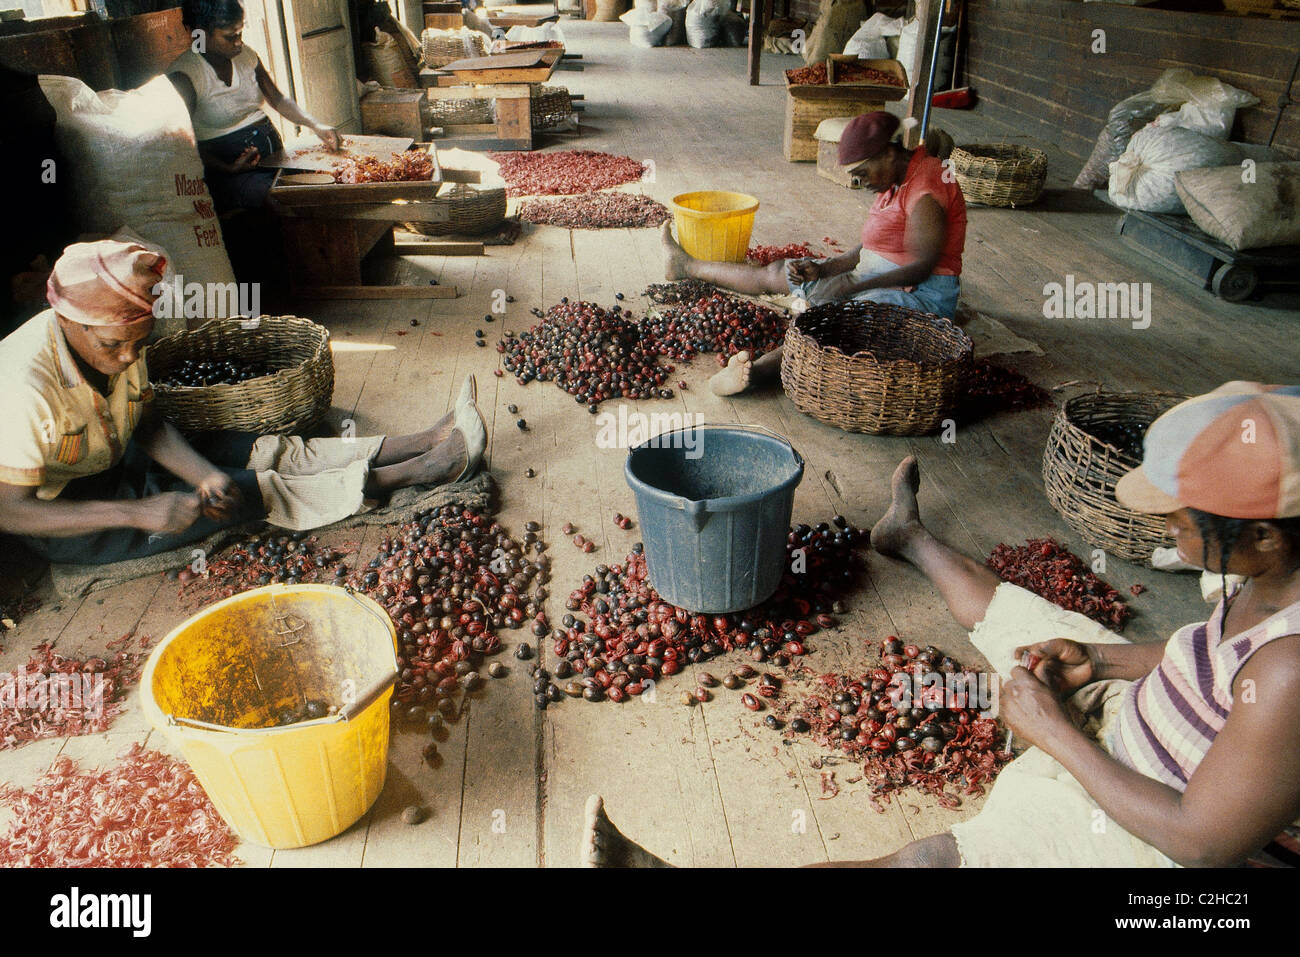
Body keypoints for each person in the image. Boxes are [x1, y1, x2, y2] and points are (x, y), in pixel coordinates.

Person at [581, 382, 1300, 867]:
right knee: (1022, 616)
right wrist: (1103, 661)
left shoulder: (1289, 669)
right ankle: (909, 534)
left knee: (931, 863)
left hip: (1146, 824)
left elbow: (1199, 842)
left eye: (1179, 518)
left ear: (1265, 535)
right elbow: (1201, 657)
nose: (1165, 527)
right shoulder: (1257, 573)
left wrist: (1051, 729)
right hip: (1138, 713)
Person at [0, 239, 487, 565]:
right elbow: (11, 512)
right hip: (67, 513)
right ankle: (411, 473)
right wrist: (135, 513)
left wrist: (201, 474)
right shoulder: (23, 387)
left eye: (139, 343)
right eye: (112, 347)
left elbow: (148, 426)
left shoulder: (122, 343)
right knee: (247, 495)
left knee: (242, 450)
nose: (128, 357)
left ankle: (409, 443)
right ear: (65, 320)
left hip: (115, 457)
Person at [660, 111, 967, 396]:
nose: (859, 182)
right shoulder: (896, 178)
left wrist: (854, 288)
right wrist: (827, 269)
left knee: (838, 320)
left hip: (920, 296)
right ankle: (686, 264)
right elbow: (873, 247)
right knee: (777, 271)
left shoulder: (926, 188)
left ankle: (754, 374)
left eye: (862, 172)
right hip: (874, 276)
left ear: (888, 153)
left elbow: (921, 267)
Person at [167, 0, 341, 213]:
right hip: (230, 173)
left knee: (330, 180)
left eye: (240, 33)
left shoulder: (246, 56)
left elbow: (277, 99)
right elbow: (179, 142)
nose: (239, 42)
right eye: (230, 37)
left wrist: (314, 124)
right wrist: (228, 168)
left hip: (272, 159)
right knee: (283, 202)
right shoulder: (185, 75)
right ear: (199, 34)